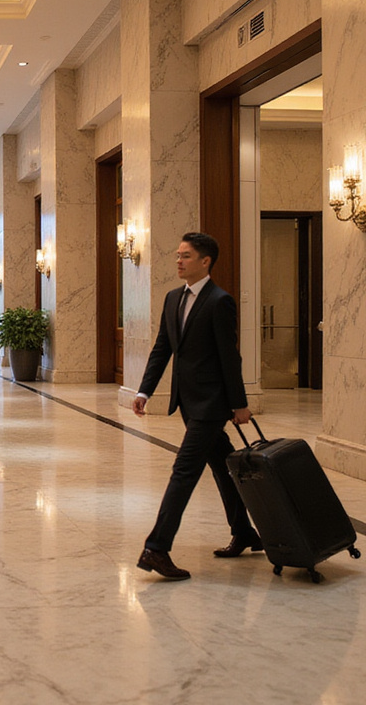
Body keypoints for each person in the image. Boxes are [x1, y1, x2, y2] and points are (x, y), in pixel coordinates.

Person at [132, 232, 258, 581]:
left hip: (212, 403)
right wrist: (145, 391)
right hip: (187, 402)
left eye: (186, 256)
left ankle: (157, 548)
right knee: (222, 465)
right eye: (177, 255)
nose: (178, 261)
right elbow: (162, 349)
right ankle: (244, 531)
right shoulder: (173, 298)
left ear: (205, 262)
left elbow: (229, 357)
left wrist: (239, 404)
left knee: (184, 471)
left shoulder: (220, 301)